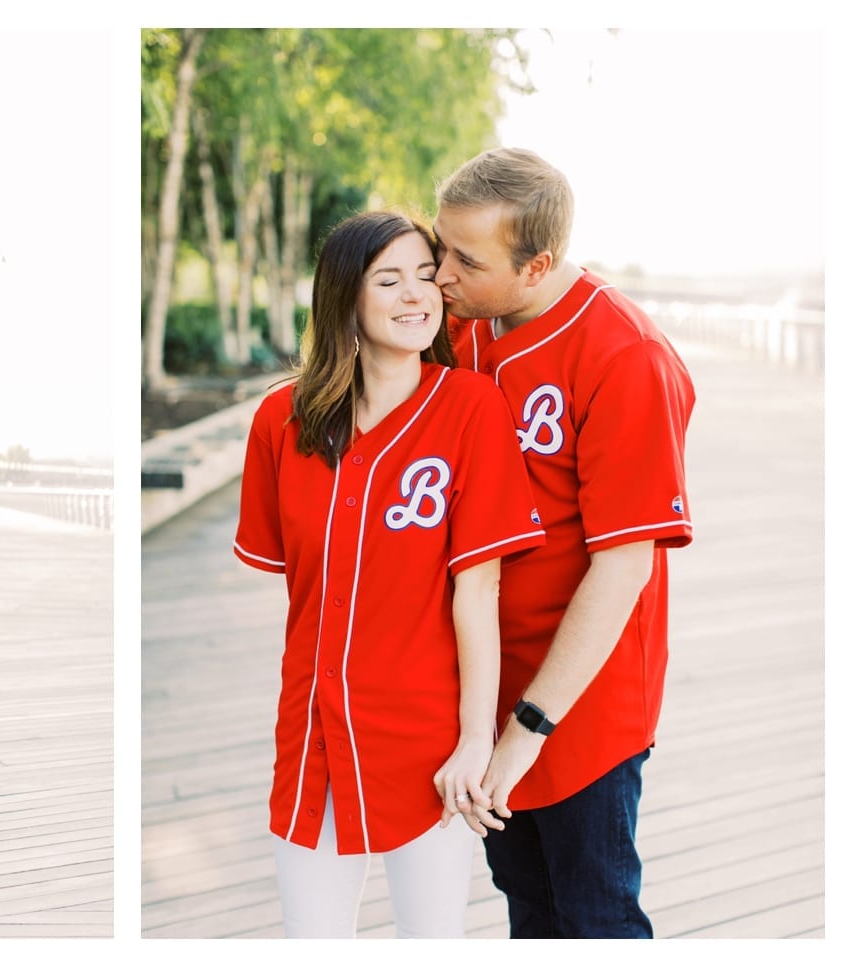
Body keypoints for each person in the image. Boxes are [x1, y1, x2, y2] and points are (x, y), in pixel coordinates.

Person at [233, 210, 546, 938]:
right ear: (346, 296)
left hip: (429, 739)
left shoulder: (470, 407)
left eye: (425, 275)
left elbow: (479, 590)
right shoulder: (280, 421)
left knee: (433, 942)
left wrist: (476, 739)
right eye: (389, 279)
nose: (417, 294)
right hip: (313, 732)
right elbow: (304, 587)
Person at [432, 147, 695, 938]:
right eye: (442, 246)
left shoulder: (626, 356)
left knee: (595, 917)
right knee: (530, 911)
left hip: (579, 705)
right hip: (485, 683)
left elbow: (623, 569)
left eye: (464, 259)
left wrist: (523, 736)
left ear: (537, 262)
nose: (441, 273)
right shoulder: (465, 325)